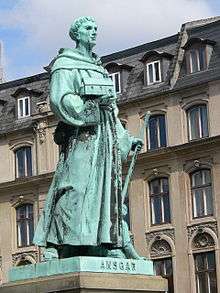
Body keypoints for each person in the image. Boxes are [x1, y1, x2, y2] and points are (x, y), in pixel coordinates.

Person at [33, 16, 143, 259]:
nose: (93, 32)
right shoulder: (65, 63)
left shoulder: (100, 68)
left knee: (105, 193)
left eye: (96, 28)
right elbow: (60, 98)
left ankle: (103, 243)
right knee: (75, 188)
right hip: (80, 135)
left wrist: (126, 139)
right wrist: (89, 105)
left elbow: (112, 112)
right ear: (76, 33)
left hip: (104, 138)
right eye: (88, 28)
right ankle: (57, 242)